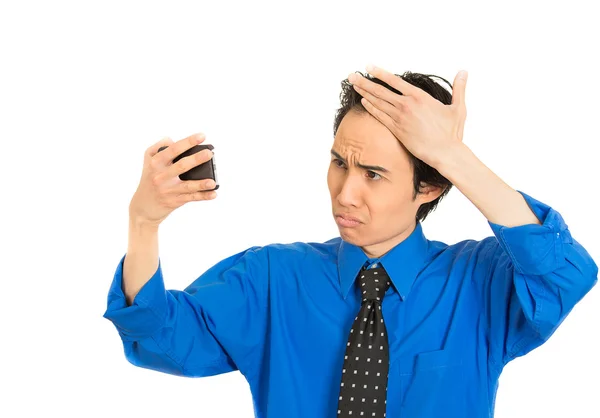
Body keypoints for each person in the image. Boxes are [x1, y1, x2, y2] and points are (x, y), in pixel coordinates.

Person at [103, 65, 598, 418]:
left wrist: (452, 155)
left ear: (429, 185)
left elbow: (565, 276)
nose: (346, 193)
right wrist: (143, 222)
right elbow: (159, 340)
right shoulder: (273, 279)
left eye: (374, 174)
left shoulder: (480, 282)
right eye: (340, 163)